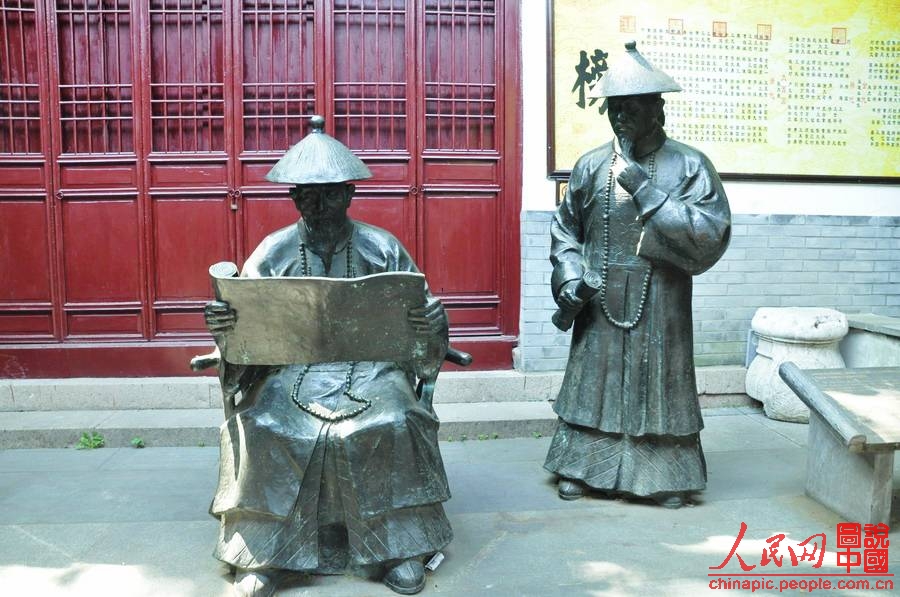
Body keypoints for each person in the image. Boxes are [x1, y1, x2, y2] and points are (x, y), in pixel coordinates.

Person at [203, 116, 452, 596]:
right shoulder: (273, 252)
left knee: (395, 419)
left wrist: (431, 325)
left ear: (349, 194)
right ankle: (267, 554)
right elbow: (247, 332)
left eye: (332, 193)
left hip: (373, 370)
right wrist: (227, 327)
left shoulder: (383, 247)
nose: (320, 205)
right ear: (295, 197)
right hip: (290, 372)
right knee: (264, 425)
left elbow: (420, 318)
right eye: (308, 195)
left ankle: (396, 547)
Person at [544, 42, 731, 508]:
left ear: (657, 109)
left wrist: (645, 191)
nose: (621, 118)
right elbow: (565, 230)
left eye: (631, 108)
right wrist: (569, 280)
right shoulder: (590, 165)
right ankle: (582, 467)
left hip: (661, 299)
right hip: (600, 297)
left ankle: (664, 473)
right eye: (614, 109)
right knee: (594, 384)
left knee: (660, 388)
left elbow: (711, 232)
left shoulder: (690, 165)